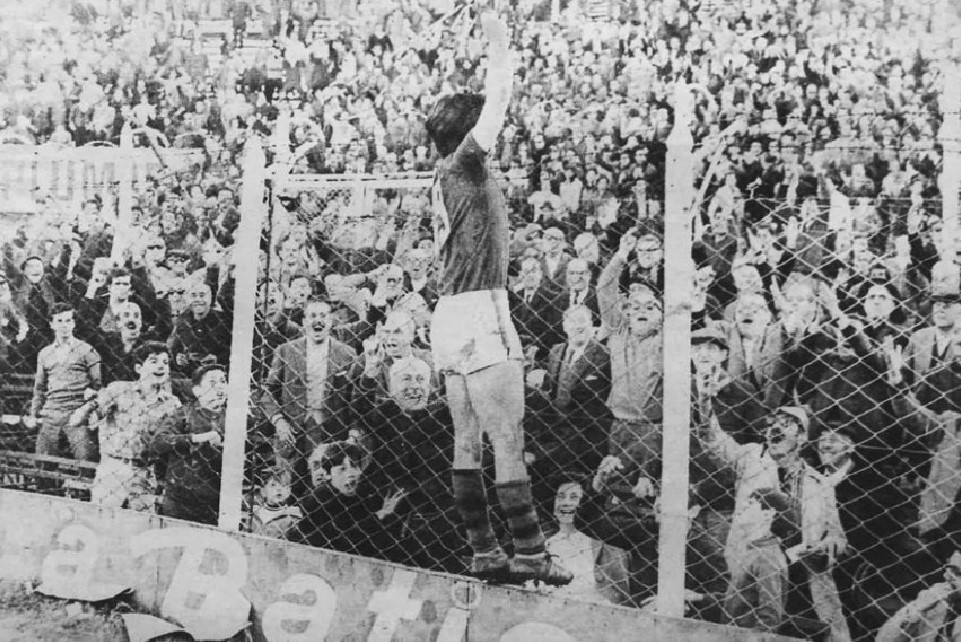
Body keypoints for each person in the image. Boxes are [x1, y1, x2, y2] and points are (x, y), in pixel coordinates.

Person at [425, 10, 570, 585]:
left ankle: (484, 550)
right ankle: (531, 552)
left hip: (448, 314)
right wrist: (498, 41)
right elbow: (501, 95)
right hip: (482, 307)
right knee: (507, 437)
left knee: (467, 439)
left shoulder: (441, 174)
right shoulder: (466, 162)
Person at [70, 341, 182, 512]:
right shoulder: (119, 390)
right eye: (154, 361)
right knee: (103, 517)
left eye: (165, 362)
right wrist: (91, 405)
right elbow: (79, 419)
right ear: (139, 368)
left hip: (144, 471)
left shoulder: (171, 403)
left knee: (141, 521)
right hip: (114, 466)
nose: (161, 366)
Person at [286, 440, 407, 562]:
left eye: (354, 466)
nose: (350, 473)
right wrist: (379, 516)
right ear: (328, 474)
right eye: (342, 469)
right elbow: (343, 541)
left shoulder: (361, 496)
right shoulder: (320, 499)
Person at [148, 364, 228, 525]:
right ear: (197, 391)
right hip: (180, 497)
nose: (219, 387)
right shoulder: (183, 414)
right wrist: (196, 438)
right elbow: (158, 442)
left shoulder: (234, 417)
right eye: (212, 383)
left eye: (223, 381)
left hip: (216, 499)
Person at [29, 303, 102, 463]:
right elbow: (39, 388)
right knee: (43, 462)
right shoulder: (45, 353)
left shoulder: (87, 350)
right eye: (60, 321)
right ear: (52, 324)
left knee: (86, 460)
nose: (64, 325)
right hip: (51, 413)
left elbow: (98, 386)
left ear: (74, 323)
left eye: (68, 321)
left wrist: (89, 411)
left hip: (77, 413)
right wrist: (33, 414)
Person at [875, 551, 961, 642]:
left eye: (958, 573)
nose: (946, 577)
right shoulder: (934, 602)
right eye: (948, 570)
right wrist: (916, 610)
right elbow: (883, 640)